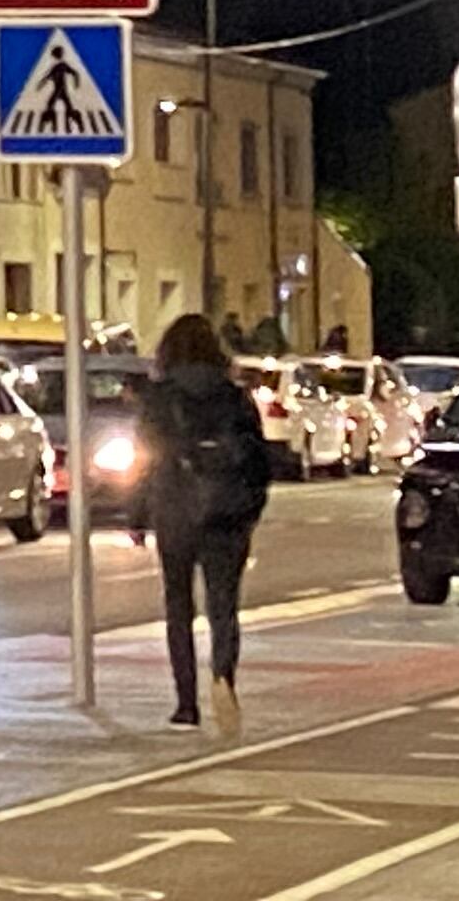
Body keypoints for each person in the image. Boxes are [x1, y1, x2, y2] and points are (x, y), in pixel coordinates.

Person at [134, 312, 269, 731]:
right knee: (223, 607)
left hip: (175, 510)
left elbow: (145, 460)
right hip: (227, 514)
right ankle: (223, 678)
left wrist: (137, 514)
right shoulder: (235, 396)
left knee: (179, 606)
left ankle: (185, 703)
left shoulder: (159, 398)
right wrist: (250, 510)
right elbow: (260, 462)